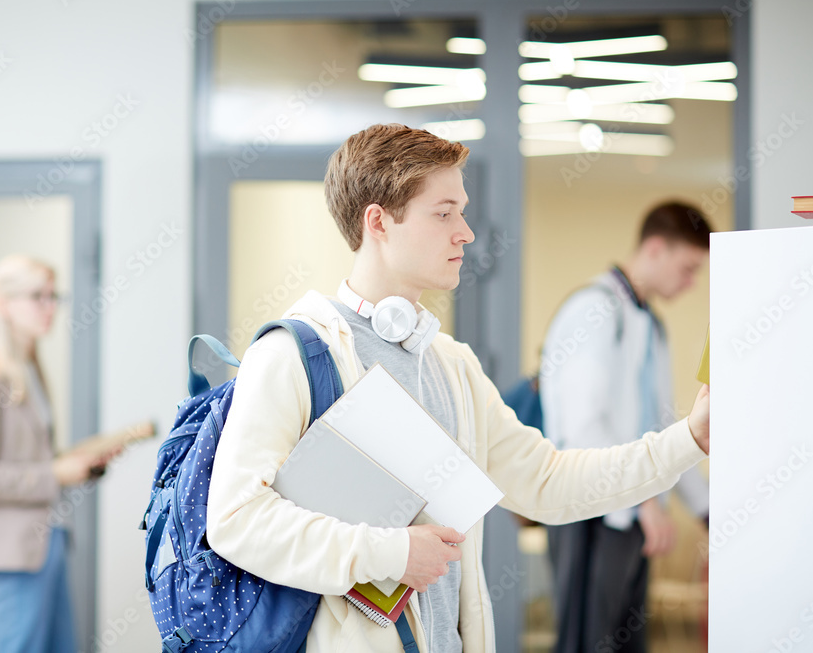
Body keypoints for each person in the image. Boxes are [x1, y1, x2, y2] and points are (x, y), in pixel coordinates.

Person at [206, 124, 711, 653]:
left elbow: (550, 481)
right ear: (378, 221)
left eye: (462, 212)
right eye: (444, 213)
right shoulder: (292, 356)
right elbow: (237, 521)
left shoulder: (451, 365)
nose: (465, 232)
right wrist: (393, 553)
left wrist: (689, 440)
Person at [539, 202, 712, 653]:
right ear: (655, 249)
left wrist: (706, 509)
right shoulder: (594, 312)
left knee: (625, 642)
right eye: (688, 268)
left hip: (634, 511)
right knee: (587, 641)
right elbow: (582, 427)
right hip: (593, 509)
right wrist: (641, 500)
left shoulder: (650, 323)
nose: (691, 283)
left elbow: (662, 428)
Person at [0, 255, 112, 653]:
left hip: (44, 538)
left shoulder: (26, 362)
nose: (50, 307)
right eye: (38, 296)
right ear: (2, 302)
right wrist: (57, 474)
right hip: (10, 551)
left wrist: (81, 462)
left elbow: (27, 455)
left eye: (54, 296)